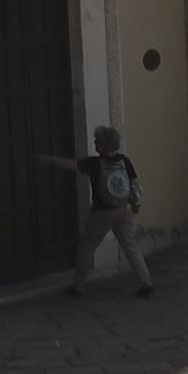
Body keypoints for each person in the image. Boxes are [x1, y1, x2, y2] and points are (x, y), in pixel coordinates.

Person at [38, 125, 153, 298]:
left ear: (103, 144)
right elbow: (135, 185)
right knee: (130, 246)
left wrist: (49, 160)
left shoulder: (94, 163)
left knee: (87, 246)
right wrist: (130, 209)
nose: (94, 143)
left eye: (97, 141)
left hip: (102, 212)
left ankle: (78, 285)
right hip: (125, 210)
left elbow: (71, 165)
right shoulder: (125, 161)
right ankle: (146, 282)